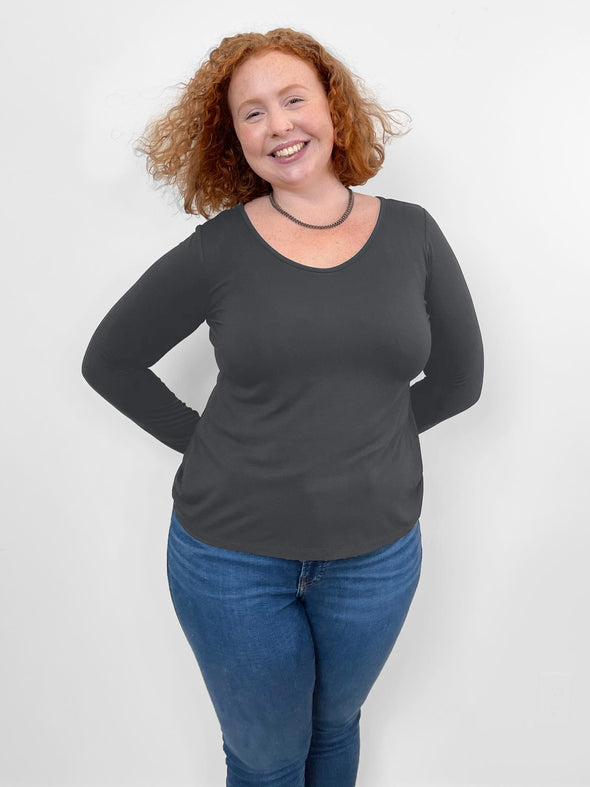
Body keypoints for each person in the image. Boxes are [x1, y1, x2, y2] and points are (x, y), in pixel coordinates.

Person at [81, 27, 484, 787]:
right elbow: (110, 361)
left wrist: (371, 436)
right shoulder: (219, 250)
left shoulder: (414, 234)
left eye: (293, 99)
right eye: (252, 113)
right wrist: (206, 444)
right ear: (233, 139)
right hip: (232, 560)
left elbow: (461, 379)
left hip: (375, 557)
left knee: (333, 732)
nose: (279, 125)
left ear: (332, 107)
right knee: (268, 758)